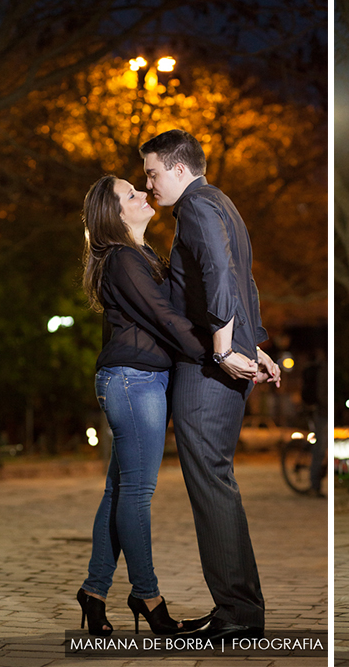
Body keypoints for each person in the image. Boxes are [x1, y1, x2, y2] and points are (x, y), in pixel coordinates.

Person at [140, 129, 281, 641]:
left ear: (179, 169)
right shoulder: (221, 203)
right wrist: (255, 343)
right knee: (214, 482)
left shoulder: (197, 207)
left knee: (211, 484)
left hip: (207, 369)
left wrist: (224, 349)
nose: (148, 183)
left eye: (153, 173)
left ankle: (239, 616)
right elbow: (246, 281)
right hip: (221, 359)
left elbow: (223, 277)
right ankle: (237, 610)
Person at [77, 175, 210, 636]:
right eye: (130, 194)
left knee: (119, 491)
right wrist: (220, 356)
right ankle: (147, 595)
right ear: (114, 213)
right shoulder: (124, 260)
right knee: (137, 494)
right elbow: (167, 319)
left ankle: (94, 593)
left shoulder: (140, 256)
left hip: (132, 381)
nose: (142, 195)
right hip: (135, 383)